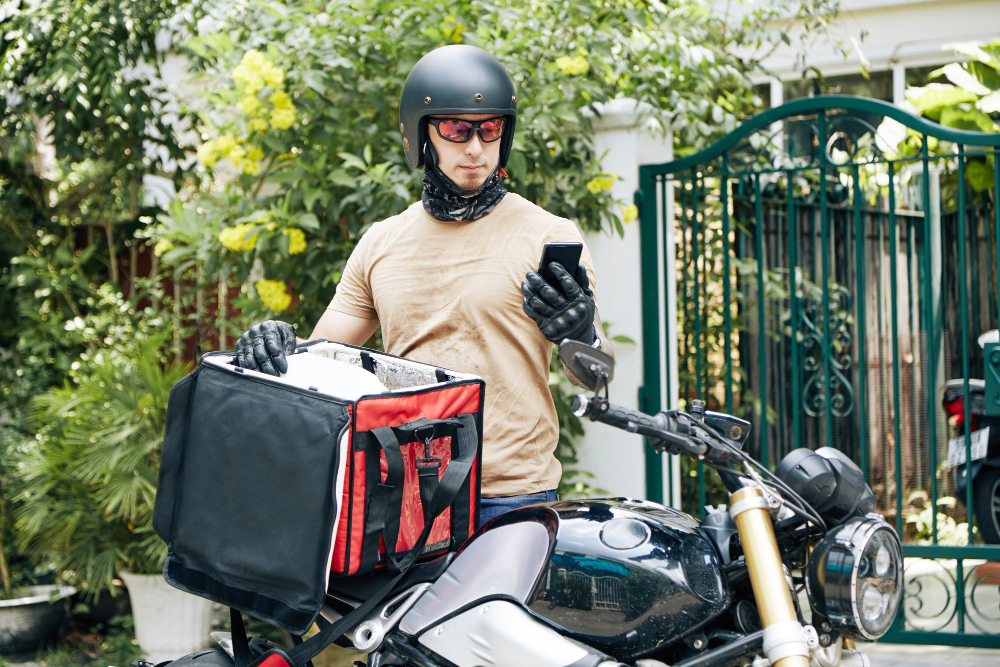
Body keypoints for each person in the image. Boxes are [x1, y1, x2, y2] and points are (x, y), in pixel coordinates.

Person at [235, 44, 611, 525]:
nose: (475, 147)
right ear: (422, 134)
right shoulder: (382, 242)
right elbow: (322, 358)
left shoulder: (547, 235)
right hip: (408, 492)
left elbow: (597, 375)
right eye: (457, 129)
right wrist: (274, 347)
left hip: (514, 496)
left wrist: (580, 335)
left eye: (489, 128)